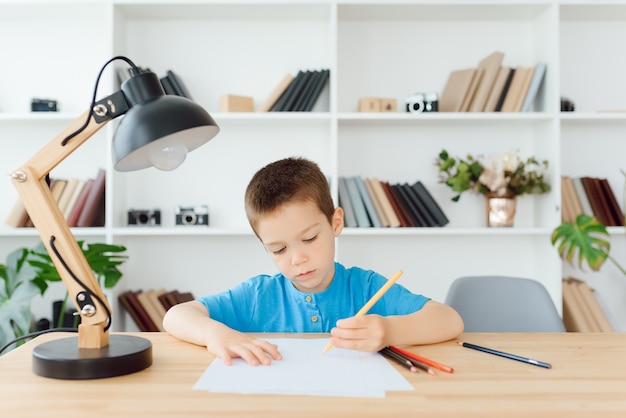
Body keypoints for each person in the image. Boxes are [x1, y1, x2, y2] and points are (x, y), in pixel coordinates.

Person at [163, 157, 464, 366]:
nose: (297, 258)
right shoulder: (258, 296)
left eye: (309, 239)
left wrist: (389, 330)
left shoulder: (366, 288)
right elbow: (175, 316)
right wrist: (215, 333)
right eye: (278, 249)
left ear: (335, 223)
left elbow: (450, 320)